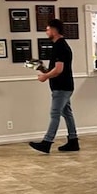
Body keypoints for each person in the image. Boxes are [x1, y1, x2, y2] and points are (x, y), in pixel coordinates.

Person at [29, 19, 79, 153]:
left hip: (61, 87)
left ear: (54, 30)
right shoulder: (60, 45)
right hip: (65, 85)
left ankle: (47, 142)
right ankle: (73, 141)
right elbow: (56, 69)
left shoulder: (60, 46)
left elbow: (59, 70)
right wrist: (43, 70)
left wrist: (45, 76)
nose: (46, 32)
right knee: (67, 113)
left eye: (47, 29)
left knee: (55, 113)